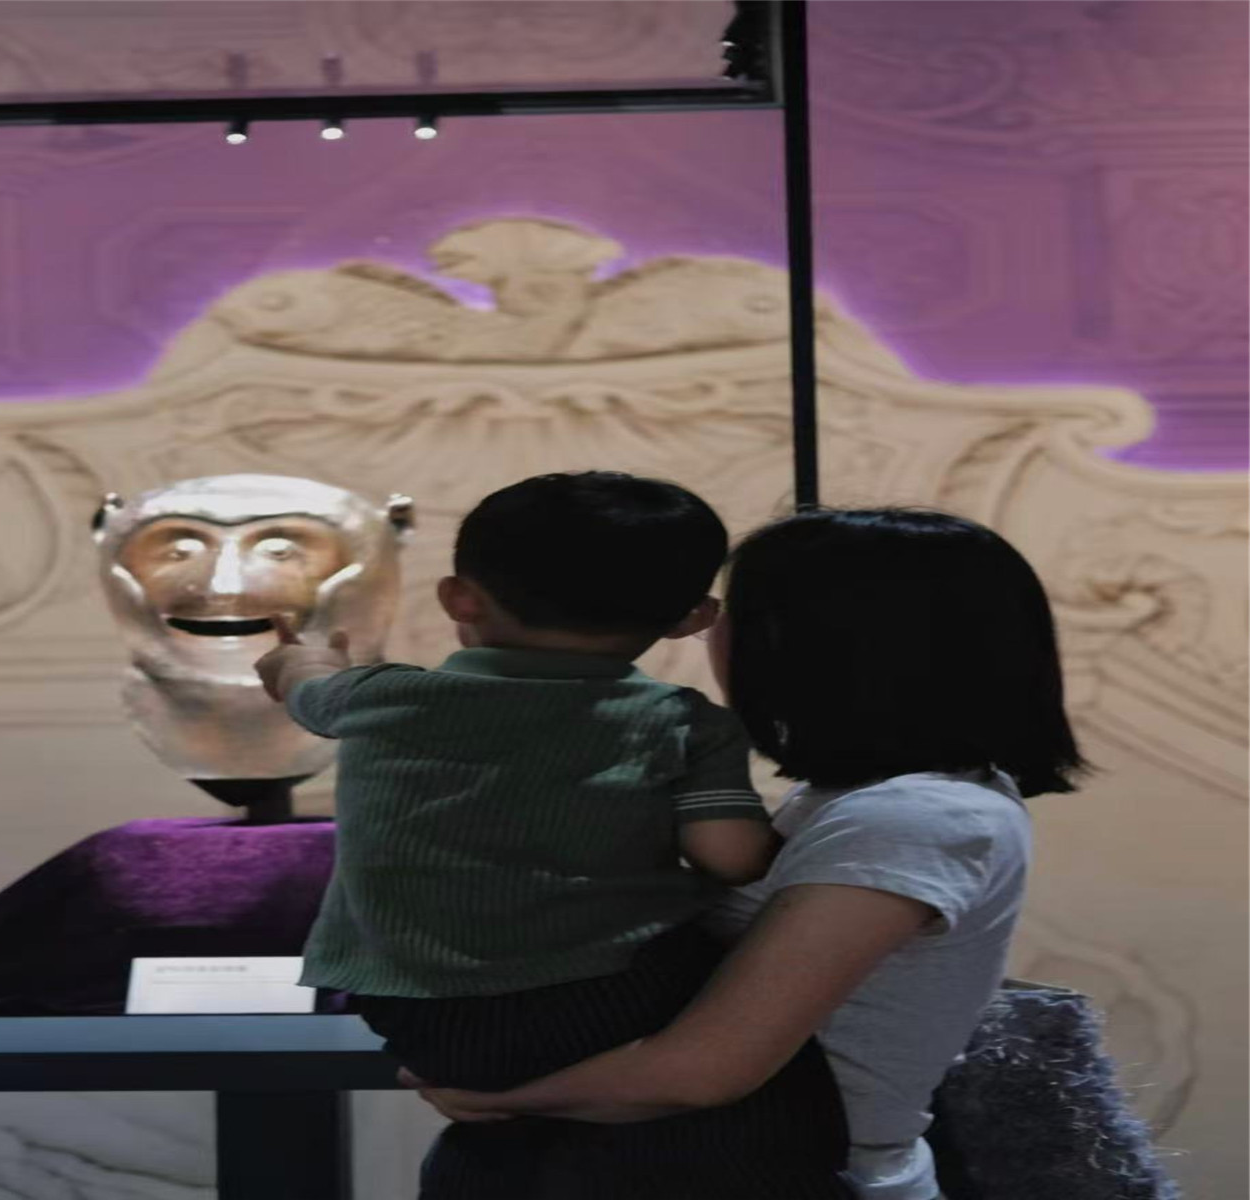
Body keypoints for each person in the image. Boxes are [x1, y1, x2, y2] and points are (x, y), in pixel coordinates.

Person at [408, 507, 1087, 1200]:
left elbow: (702, 1069)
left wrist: (501, 1098)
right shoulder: (857, 799)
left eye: (735, 613)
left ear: (818, 640)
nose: (714, 633)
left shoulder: (914, 817)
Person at [255, 472, 852, 1200]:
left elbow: (306, 684)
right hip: (602, 995)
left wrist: (296, 659)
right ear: (692, 617)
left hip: (417, 1009)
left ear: (459, 598)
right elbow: (729, 856)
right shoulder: (682, 721)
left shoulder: (379, 696)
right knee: (762, 1101)